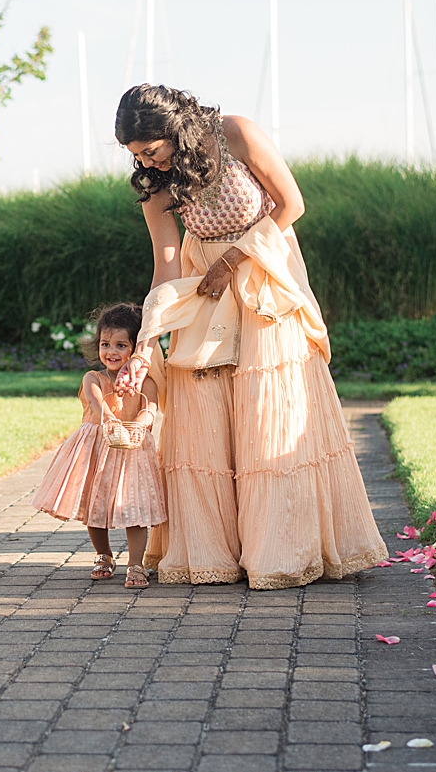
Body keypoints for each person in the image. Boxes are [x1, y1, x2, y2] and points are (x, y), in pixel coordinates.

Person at [112, 84, 387, 589]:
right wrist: (146, 342)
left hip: (264, 277)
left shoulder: (235, 133)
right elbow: (166, 266)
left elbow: (290, 205)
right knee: (205, 418)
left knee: (269, 417)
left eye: (151, 151)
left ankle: (278, 550)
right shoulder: (157, 185)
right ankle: (217, 552)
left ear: (172, 128)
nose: (147, 164)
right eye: (138, 157)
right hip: (204, 291)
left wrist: (234, 259)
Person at [30, 303, 166, 590]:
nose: (111, 352)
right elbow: (95, 402)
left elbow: (150, 408)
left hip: (130, 449)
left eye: (121, 345)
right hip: (96, 449)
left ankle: (136, 563)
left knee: (135, 508)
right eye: (106, 344)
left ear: (135, 350)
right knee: (95, 505)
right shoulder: (94, 378)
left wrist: (140, 423)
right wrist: (109, 418)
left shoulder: (146, 383)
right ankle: (103, 554)